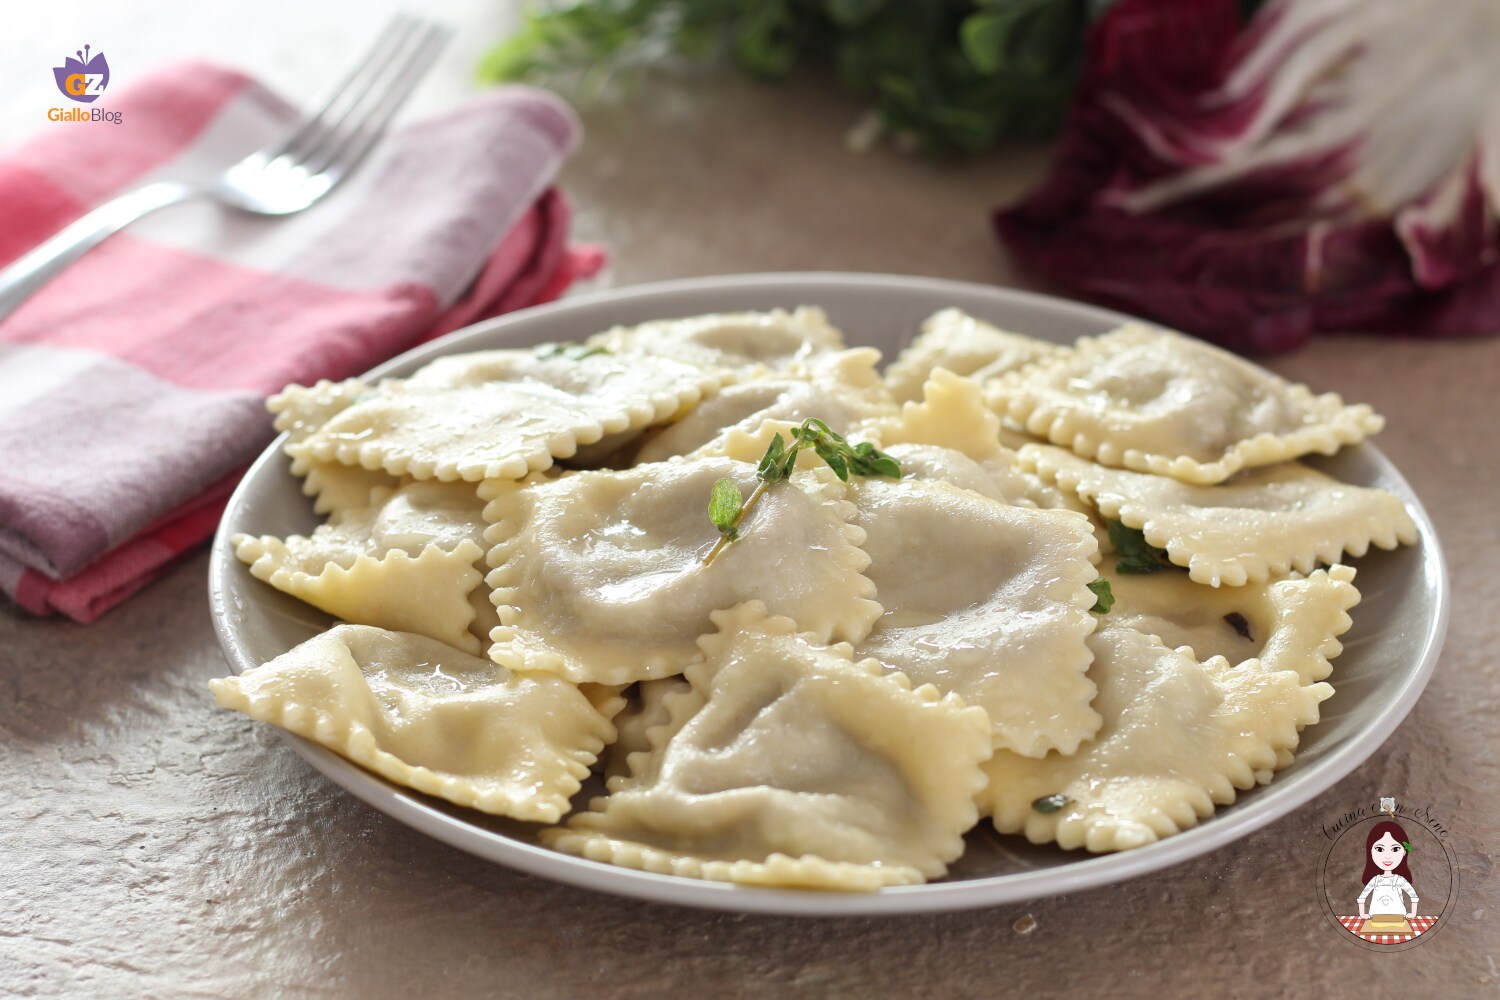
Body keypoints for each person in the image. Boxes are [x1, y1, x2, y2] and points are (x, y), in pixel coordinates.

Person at [1357, 820, 1419, 926]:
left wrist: (1413, 913)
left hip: (1398, 919)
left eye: (1395, 849)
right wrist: (1362, 914)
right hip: (1376, 919)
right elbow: (1362, 897)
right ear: (1370, 851)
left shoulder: (1399, 880)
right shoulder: (1375, 880)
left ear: (1404, 852)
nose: (1387, 856)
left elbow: (1413, 896)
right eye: (1379, 849)